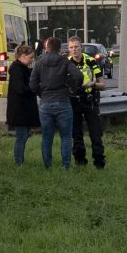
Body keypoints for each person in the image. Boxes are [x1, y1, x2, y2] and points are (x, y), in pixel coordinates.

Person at [31, 37, 81, 168]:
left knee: (47, 137)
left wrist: (41, 94)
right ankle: (66, 166)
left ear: (47, 48)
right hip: (63, 102)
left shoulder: (39, 62)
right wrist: (72, 89)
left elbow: (32, 84)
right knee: (66, 136)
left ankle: (47, 166)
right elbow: (79, 76)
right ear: (60, 49)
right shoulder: (65, 62)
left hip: (45, 103)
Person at [69, 37, 109, 169]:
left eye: (76, 47)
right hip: (74, 101)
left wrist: (93, 84)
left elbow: (103, 84)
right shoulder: (66, 63)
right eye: (71, 47)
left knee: (95, 133)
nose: (74, 50)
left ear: (81, 47)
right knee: (76, 134)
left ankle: (99, 163)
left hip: (90, 100)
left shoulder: (91, 62)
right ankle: (80, 162)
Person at [5, 44, 37, 164]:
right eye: (30, 57)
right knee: (21, 138)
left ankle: (20, 161)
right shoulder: (18, 69)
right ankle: (19, 163)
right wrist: (33, 89)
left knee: (23, 137)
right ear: (22, 56)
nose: (31, 60)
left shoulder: (20, 68)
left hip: (21, 110)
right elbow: (20, 88)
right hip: (20, 110)